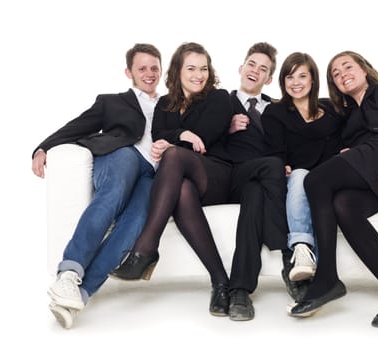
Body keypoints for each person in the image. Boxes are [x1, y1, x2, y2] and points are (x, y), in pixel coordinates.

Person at [289, 51, 378, 327]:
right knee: (344, 206)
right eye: (336, 74)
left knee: (314, 181)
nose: (342, 75)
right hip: (367, 167)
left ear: (364, 69)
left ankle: (327, 277)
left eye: (347, 67)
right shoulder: (348, 113)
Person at [32, 43, 163, 329]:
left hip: (152, 173)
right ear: (129, 72)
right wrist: (43, 147)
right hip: (121, 155)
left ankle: (80, 292)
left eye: (154, 67)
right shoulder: (111, 101)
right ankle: (69, 272)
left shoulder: (171, 105)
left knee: (137, 220)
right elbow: (77, 126)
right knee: (114, 191)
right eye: (142, 68)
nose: (149, 73)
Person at [109, 42, 234, 317]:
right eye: (191, 68)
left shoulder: (220, 98)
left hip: (218, 175)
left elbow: (204, 140)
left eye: (203, 68)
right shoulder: (166, 103)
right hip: (185, 179)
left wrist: (176, 138)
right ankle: (221, 282)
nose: (198, 75)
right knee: (183, 190)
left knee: (174, 156)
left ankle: (146, 247)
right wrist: (182, 136)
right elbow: (157, 137)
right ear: (178, 71)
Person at [224, 42, 293, 321]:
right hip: (230, 176)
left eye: (263, 69)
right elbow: (203, 137)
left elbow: (287, 145)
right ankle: (285, 251)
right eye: (251, 64)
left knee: (255, 197)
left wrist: (288, 164)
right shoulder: (221, 102)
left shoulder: (277, 109)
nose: (255, 70)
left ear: (268, 79)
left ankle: (240, 290)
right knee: (270, 167)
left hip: (263, 181)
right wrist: (225, 128)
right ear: (241, 68)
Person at [261, 52, 343, 285]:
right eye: (289, 77)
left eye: (302, 76)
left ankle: (324, 274)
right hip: (298, 178)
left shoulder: (333, 109)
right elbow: (276, 151)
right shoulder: (274, 112)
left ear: (313, 80)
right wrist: (282, 165)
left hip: (330, 176)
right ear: (283, 82)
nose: (295, 83)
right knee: (299, 176)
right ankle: (302, 249)